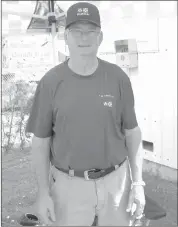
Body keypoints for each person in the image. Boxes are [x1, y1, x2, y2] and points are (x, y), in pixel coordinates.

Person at [26, 2, 146, 226]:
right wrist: (43, 193)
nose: (84, 37)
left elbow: (132, 132)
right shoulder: (50, 83)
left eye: (91, 31)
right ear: (66, 36)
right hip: (68, 187)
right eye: (77, 31)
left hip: (116, 184)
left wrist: (138, 184)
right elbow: (41, 142)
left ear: (100, 37)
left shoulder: (118, 78)